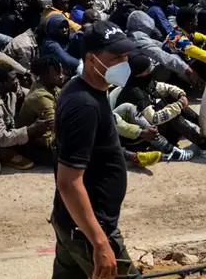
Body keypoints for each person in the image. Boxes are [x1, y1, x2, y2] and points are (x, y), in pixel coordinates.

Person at [51, 21, 141, 278]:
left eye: (125, 56)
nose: (124, 63)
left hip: (74, 222)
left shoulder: (89, 89)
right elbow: (68, 182)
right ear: (92, 59)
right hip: (90, 230)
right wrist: (100, 242)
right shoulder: (84, 106)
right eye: (115, 57)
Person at [0, 63, 50, 170]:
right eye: (13, 79)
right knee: (49, 157)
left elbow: (31, 94)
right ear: (2, 83)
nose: (17, 81)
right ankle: (5, 157)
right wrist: (30, 130)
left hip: (13, 136)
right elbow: (1, 138)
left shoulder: (8, 91)